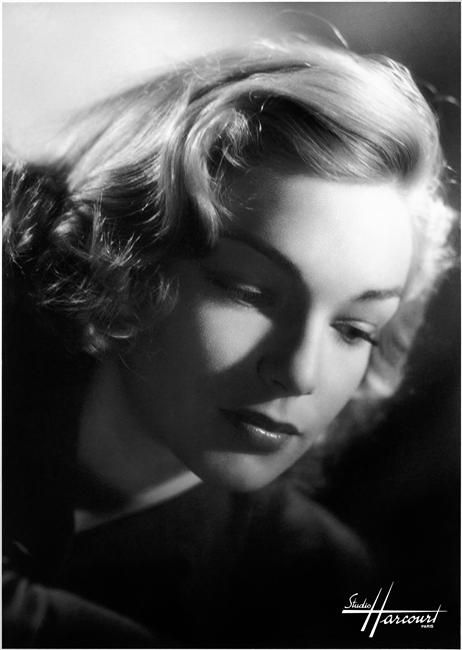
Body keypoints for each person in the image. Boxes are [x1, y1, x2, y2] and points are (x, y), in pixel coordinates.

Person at [3, 37, 457, 648]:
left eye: (354, 330)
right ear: (129, 256)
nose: (300, 373)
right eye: (250, 292)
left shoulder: (319, 589)